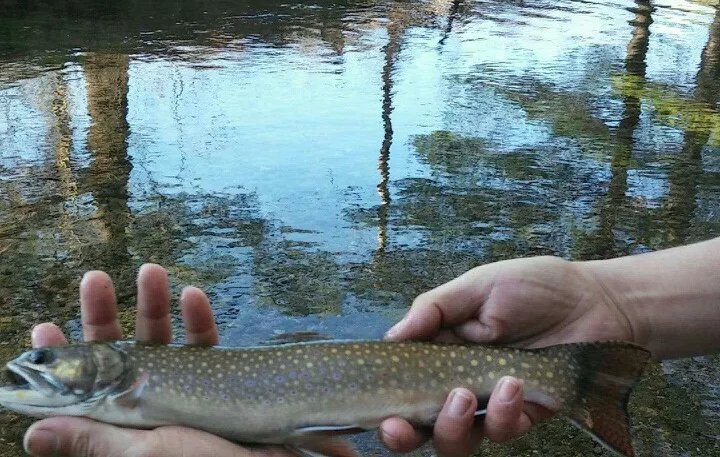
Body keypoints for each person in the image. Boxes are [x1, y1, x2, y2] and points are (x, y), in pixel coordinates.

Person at [23, 237, 720, 457]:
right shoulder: (127, 381)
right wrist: (617, 302)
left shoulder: (127, 384)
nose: (33, 367)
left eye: (45, 362)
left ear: (100, 368)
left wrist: (616, 306)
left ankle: (573, 381)